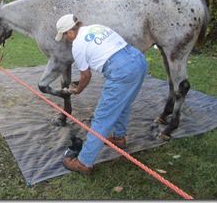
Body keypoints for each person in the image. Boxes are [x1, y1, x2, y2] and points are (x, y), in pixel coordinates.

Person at [55, 14, 148, 174]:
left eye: (64, 36)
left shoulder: (77, 45)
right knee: (123, 104)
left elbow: (86, 76)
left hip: (122, 70)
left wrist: (78, 90)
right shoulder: (97, 27)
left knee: (102, 118)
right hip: (138, 60)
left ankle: (84, 162)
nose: (66, 39)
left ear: (70, 32)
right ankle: (119, 137)